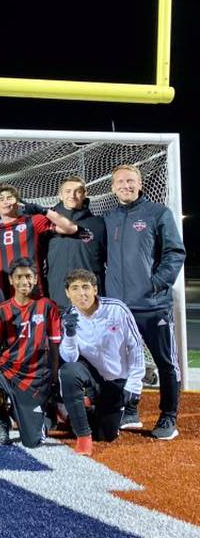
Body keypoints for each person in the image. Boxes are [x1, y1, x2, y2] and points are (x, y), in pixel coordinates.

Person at [104, 163, 185, 440]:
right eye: (120, 182)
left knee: (165, 363)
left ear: (139, 185)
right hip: (120, 308)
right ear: (113, 187)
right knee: (121, 363)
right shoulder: (109, 217)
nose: (125, 186)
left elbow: (175, 252)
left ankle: (168, 417)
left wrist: (155, 284)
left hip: (153, 306)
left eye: (131, 181)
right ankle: (129, 410)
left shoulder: (157, 213)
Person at [0, 257, 61, 448]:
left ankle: (44, 418)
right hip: (6, 370)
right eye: (19, 277)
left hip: (34, 377)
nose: (24, 282)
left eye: (29, 277)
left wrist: (53, 379)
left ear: (35, 279)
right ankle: (2, 422)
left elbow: (55, 347)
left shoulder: (48, 306)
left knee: (31, 442)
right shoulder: (2, 311)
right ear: (11, 280)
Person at [58, 269, 144, 456]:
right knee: (68, 371)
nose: (82, 294)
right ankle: (83, 436)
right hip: (92, 377)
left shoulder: (117, 309)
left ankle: (85, 408)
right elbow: (70, 358)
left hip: (116, 380)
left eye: (86, 287)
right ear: (67, 293)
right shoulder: (68, 316)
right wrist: (70, 334)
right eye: (75, 288)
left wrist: (135, 383)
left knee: (106, 435)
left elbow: (136, 346)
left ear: (95, 289)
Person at [0, 184, 77, 298]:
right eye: (1, 199)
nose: (6, 201)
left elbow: (71, 228)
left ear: (17, 203)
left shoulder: (32, 221)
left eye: (10, 198)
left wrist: (44, 211)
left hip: (33, 292)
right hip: (3, 294)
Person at [45, 176, 107, 308]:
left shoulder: (99, 224)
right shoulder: (47, 224)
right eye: (67, 191)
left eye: (77, 191)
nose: (72, 195)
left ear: (85, 194)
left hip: (89, 300)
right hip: (57, 297)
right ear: (60, 196)